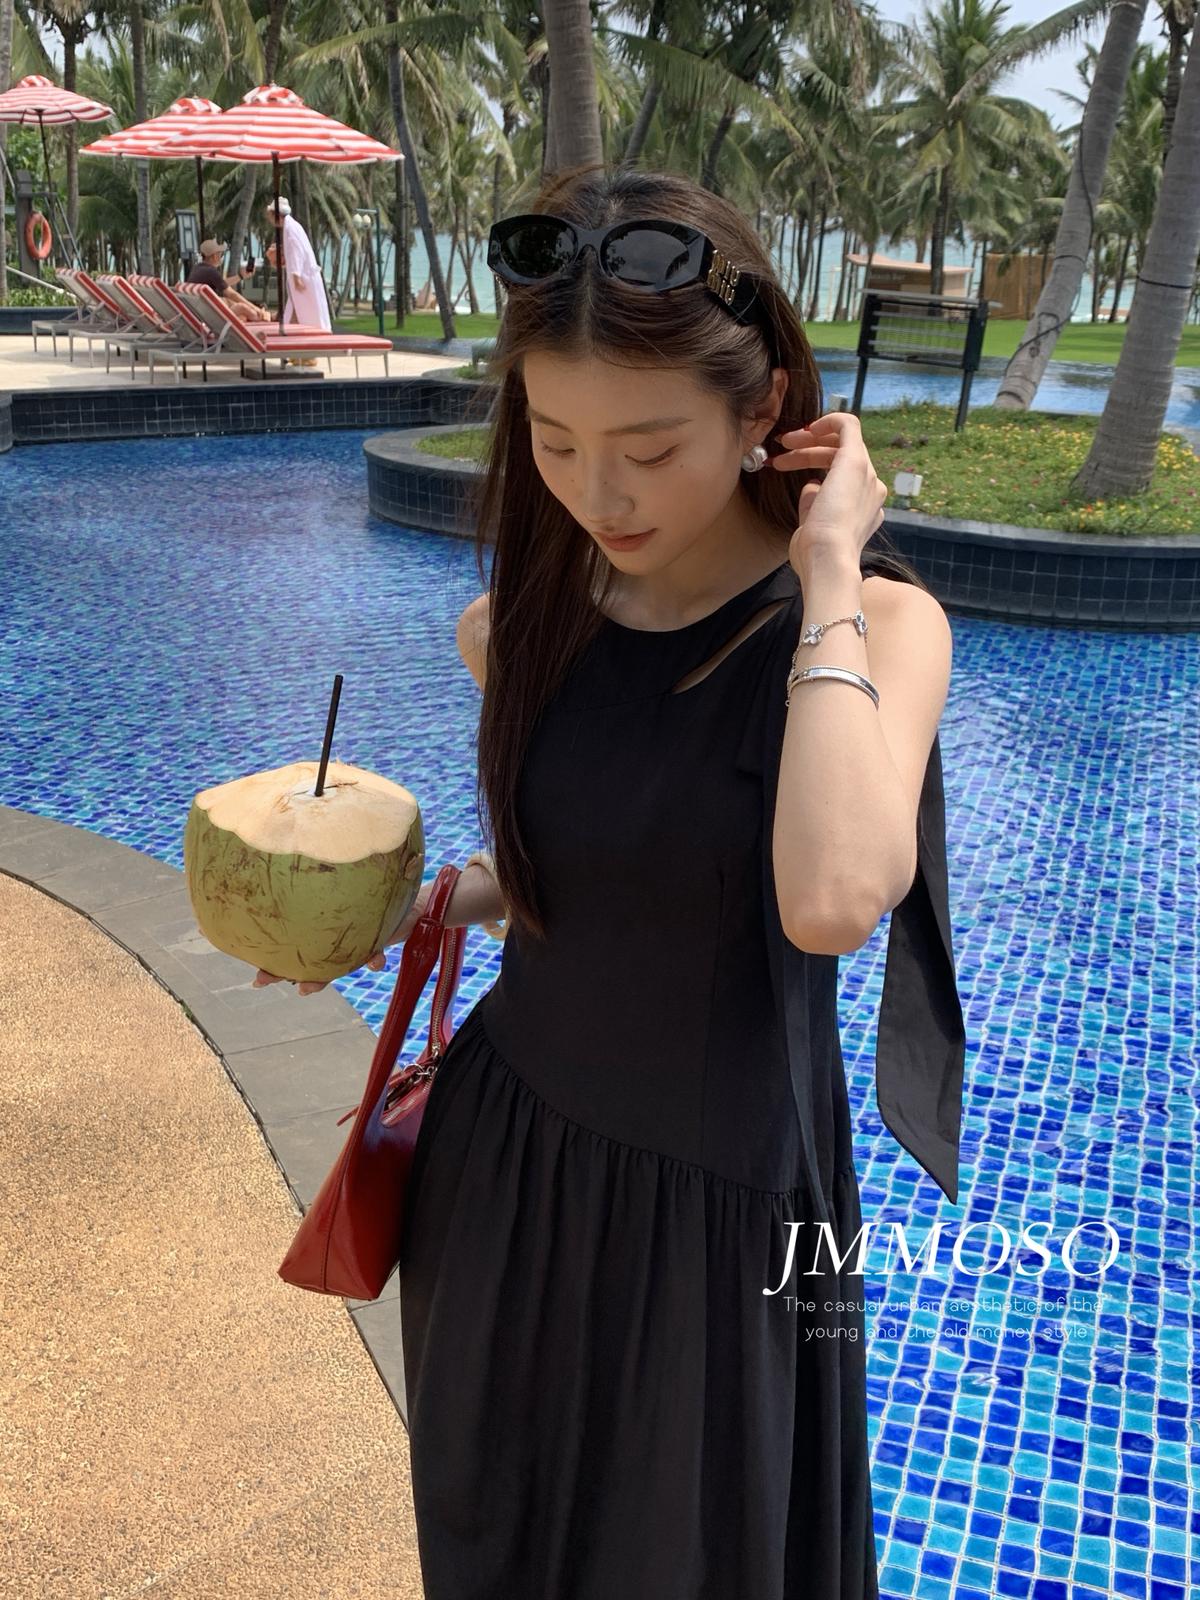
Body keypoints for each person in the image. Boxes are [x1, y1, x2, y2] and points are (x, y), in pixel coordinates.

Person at [252, 164, 966, 1598]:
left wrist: (829, 571)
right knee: (507, 1546)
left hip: (730, 1208)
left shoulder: (879, 628)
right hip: (508, 1168)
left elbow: (830, 899)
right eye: (558, 440)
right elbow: (598, 866)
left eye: (648, 444)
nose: (598, 492)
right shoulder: (521, 624)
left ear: (763, 411)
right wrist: (402, 904)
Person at [264, 196, 331, 331]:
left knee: (308, 315)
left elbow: (297, 251)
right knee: (298, 311)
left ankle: (312, 336)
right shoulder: (290, 226)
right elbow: (294, 252)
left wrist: (296, 275)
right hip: (303, 276)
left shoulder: (290, 229)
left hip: (303, 278)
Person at [185, 238, 271, 323]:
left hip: (200, 311)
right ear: (215, 256)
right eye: (221, 254)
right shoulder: (211, 271)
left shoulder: (197, 268)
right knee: (242, 307)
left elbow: (222, 283)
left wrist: (241, 276)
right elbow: (232, 294)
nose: (221, 257)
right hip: (210, 315)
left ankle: (251, 317)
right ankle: (264, 316)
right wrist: (256, 308)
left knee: (236, 310)